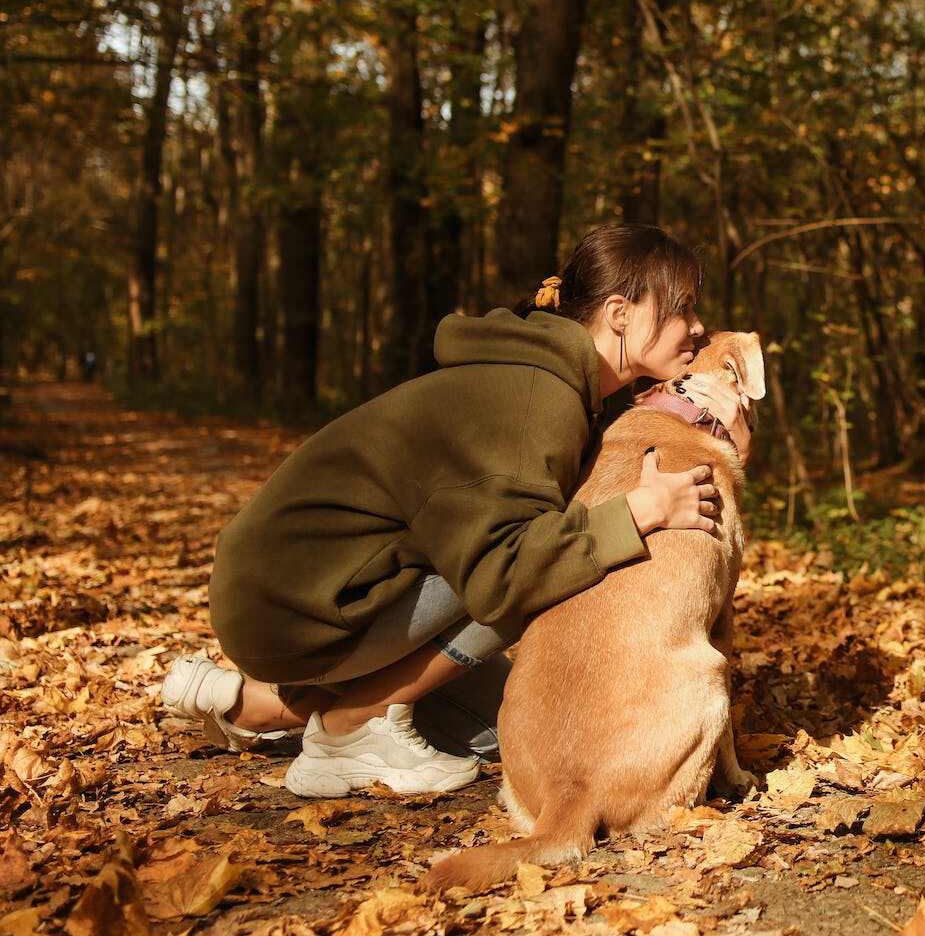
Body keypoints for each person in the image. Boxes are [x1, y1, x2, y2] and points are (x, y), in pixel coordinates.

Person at [160, 225, 733, 797]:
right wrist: (639, 512)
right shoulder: (535, 399)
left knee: (501, 732)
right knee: (551, 578)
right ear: (619, 313)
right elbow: (504, 575)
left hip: (294, 599)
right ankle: (350, 727)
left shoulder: (550, 384)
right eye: (681, 307)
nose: (697, 325)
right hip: (298, 609)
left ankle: (261, 707)